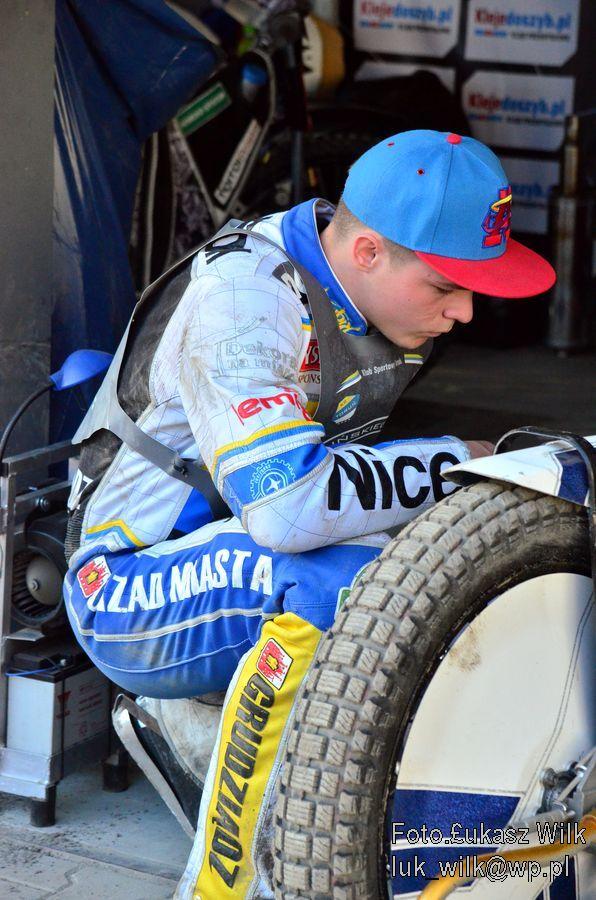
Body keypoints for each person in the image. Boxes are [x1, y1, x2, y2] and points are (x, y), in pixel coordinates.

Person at [62, 130, 555, 898]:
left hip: (231, 545)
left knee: (445, 558)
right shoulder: (245, 301)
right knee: (350, 585)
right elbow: (287, 513)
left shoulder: (374, 295)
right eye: (445, 286)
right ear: (367, 252)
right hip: (123, 583)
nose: (464, 312)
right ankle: (230, 887)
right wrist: (456, 458)